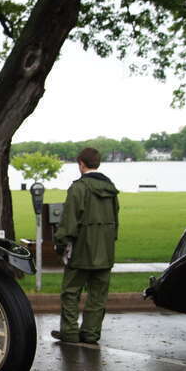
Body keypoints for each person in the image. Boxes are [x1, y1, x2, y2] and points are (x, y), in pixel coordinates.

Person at [52, 147, 120, 344]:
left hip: (81, 250)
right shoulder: (111, 189)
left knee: (71, 292)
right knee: (98, 295)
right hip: (105, 251)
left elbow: (69, 223)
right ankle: (90, 333)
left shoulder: (78, 188)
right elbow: (115, 220)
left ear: (81, 164)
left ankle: (70, 332)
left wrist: (60, 244)